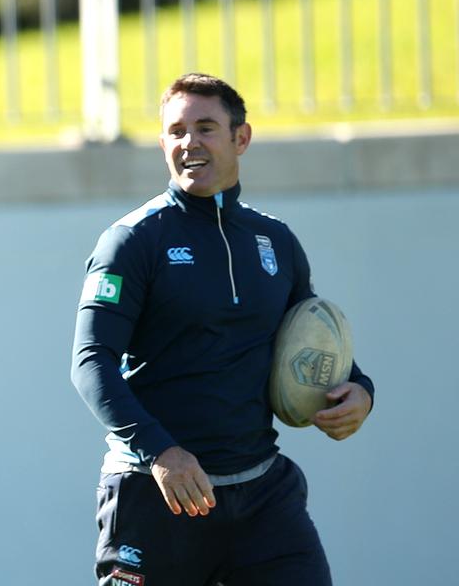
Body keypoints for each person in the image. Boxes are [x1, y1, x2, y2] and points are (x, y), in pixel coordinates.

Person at [70, 73, 374, 586]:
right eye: (176, 131)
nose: (189, 143)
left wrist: (360, 391)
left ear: (241, 139)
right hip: (157, 493)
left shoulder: (275, 242)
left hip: (262, 498)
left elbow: (312, 335)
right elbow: (90, 362)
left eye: (206, 128)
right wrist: (161, 451)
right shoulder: (131, 242)